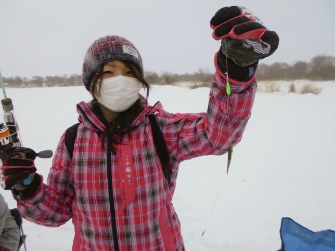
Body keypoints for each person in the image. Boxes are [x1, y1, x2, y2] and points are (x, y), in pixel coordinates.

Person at [0, 6, 279, 251]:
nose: (119, 80)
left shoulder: (161, 129)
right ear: (91, 82)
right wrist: (29, 187)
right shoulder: (73, 140)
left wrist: (236, 72)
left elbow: (219, 135)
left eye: (128, 72)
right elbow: (57, 212)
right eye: (108, 72)